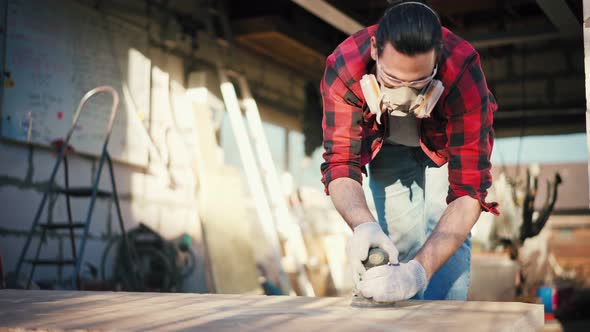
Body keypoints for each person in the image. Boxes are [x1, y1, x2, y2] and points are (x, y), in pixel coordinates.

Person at [320, 0, 499, 302]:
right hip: (388, 146)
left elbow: (469, 193)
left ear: (438, 58)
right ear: (375, 50)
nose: (404, 93)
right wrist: (364, 226)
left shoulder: (463, 71)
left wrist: (418, 272)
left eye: (418, 81)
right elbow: (340, 164)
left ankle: (445, 323)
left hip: (444, 143)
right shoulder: (345, 67)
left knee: (445, 238)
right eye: (392, 80)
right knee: (397, 244)